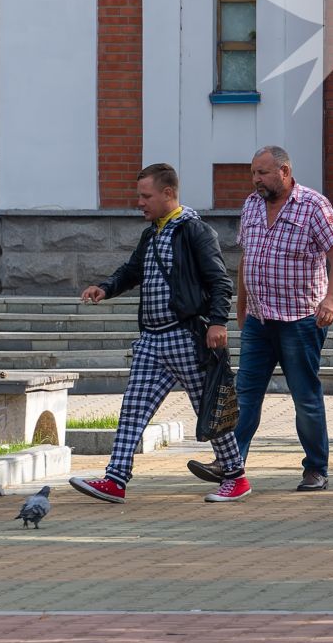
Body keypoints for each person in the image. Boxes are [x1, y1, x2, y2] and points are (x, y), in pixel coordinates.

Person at [70, 163, 245, 503]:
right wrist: (105, 288)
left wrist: (218, 322)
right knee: (132, 409)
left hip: (185, 337)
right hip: (152, 339)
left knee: (208, 408)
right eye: (139, 195)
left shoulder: (194, 231)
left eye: (146, 196)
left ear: (168, 194)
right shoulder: (151, 233)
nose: (140, 202)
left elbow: (219, 280)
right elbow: (132, 270)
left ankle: (236, 477)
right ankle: (115, 480)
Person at [187, 145, 333, 495]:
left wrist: (332, 299)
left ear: (285, 171)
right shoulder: (251, 205)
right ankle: (231, 464)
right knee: (244, 394)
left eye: (262, 173)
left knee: (305, 396)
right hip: (260, 320)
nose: (256, 180)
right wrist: (242, 307)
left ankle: (315, 470)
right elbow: (249, 258)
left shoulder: (313, 205)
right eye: (253, 173)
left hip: (300, 320)